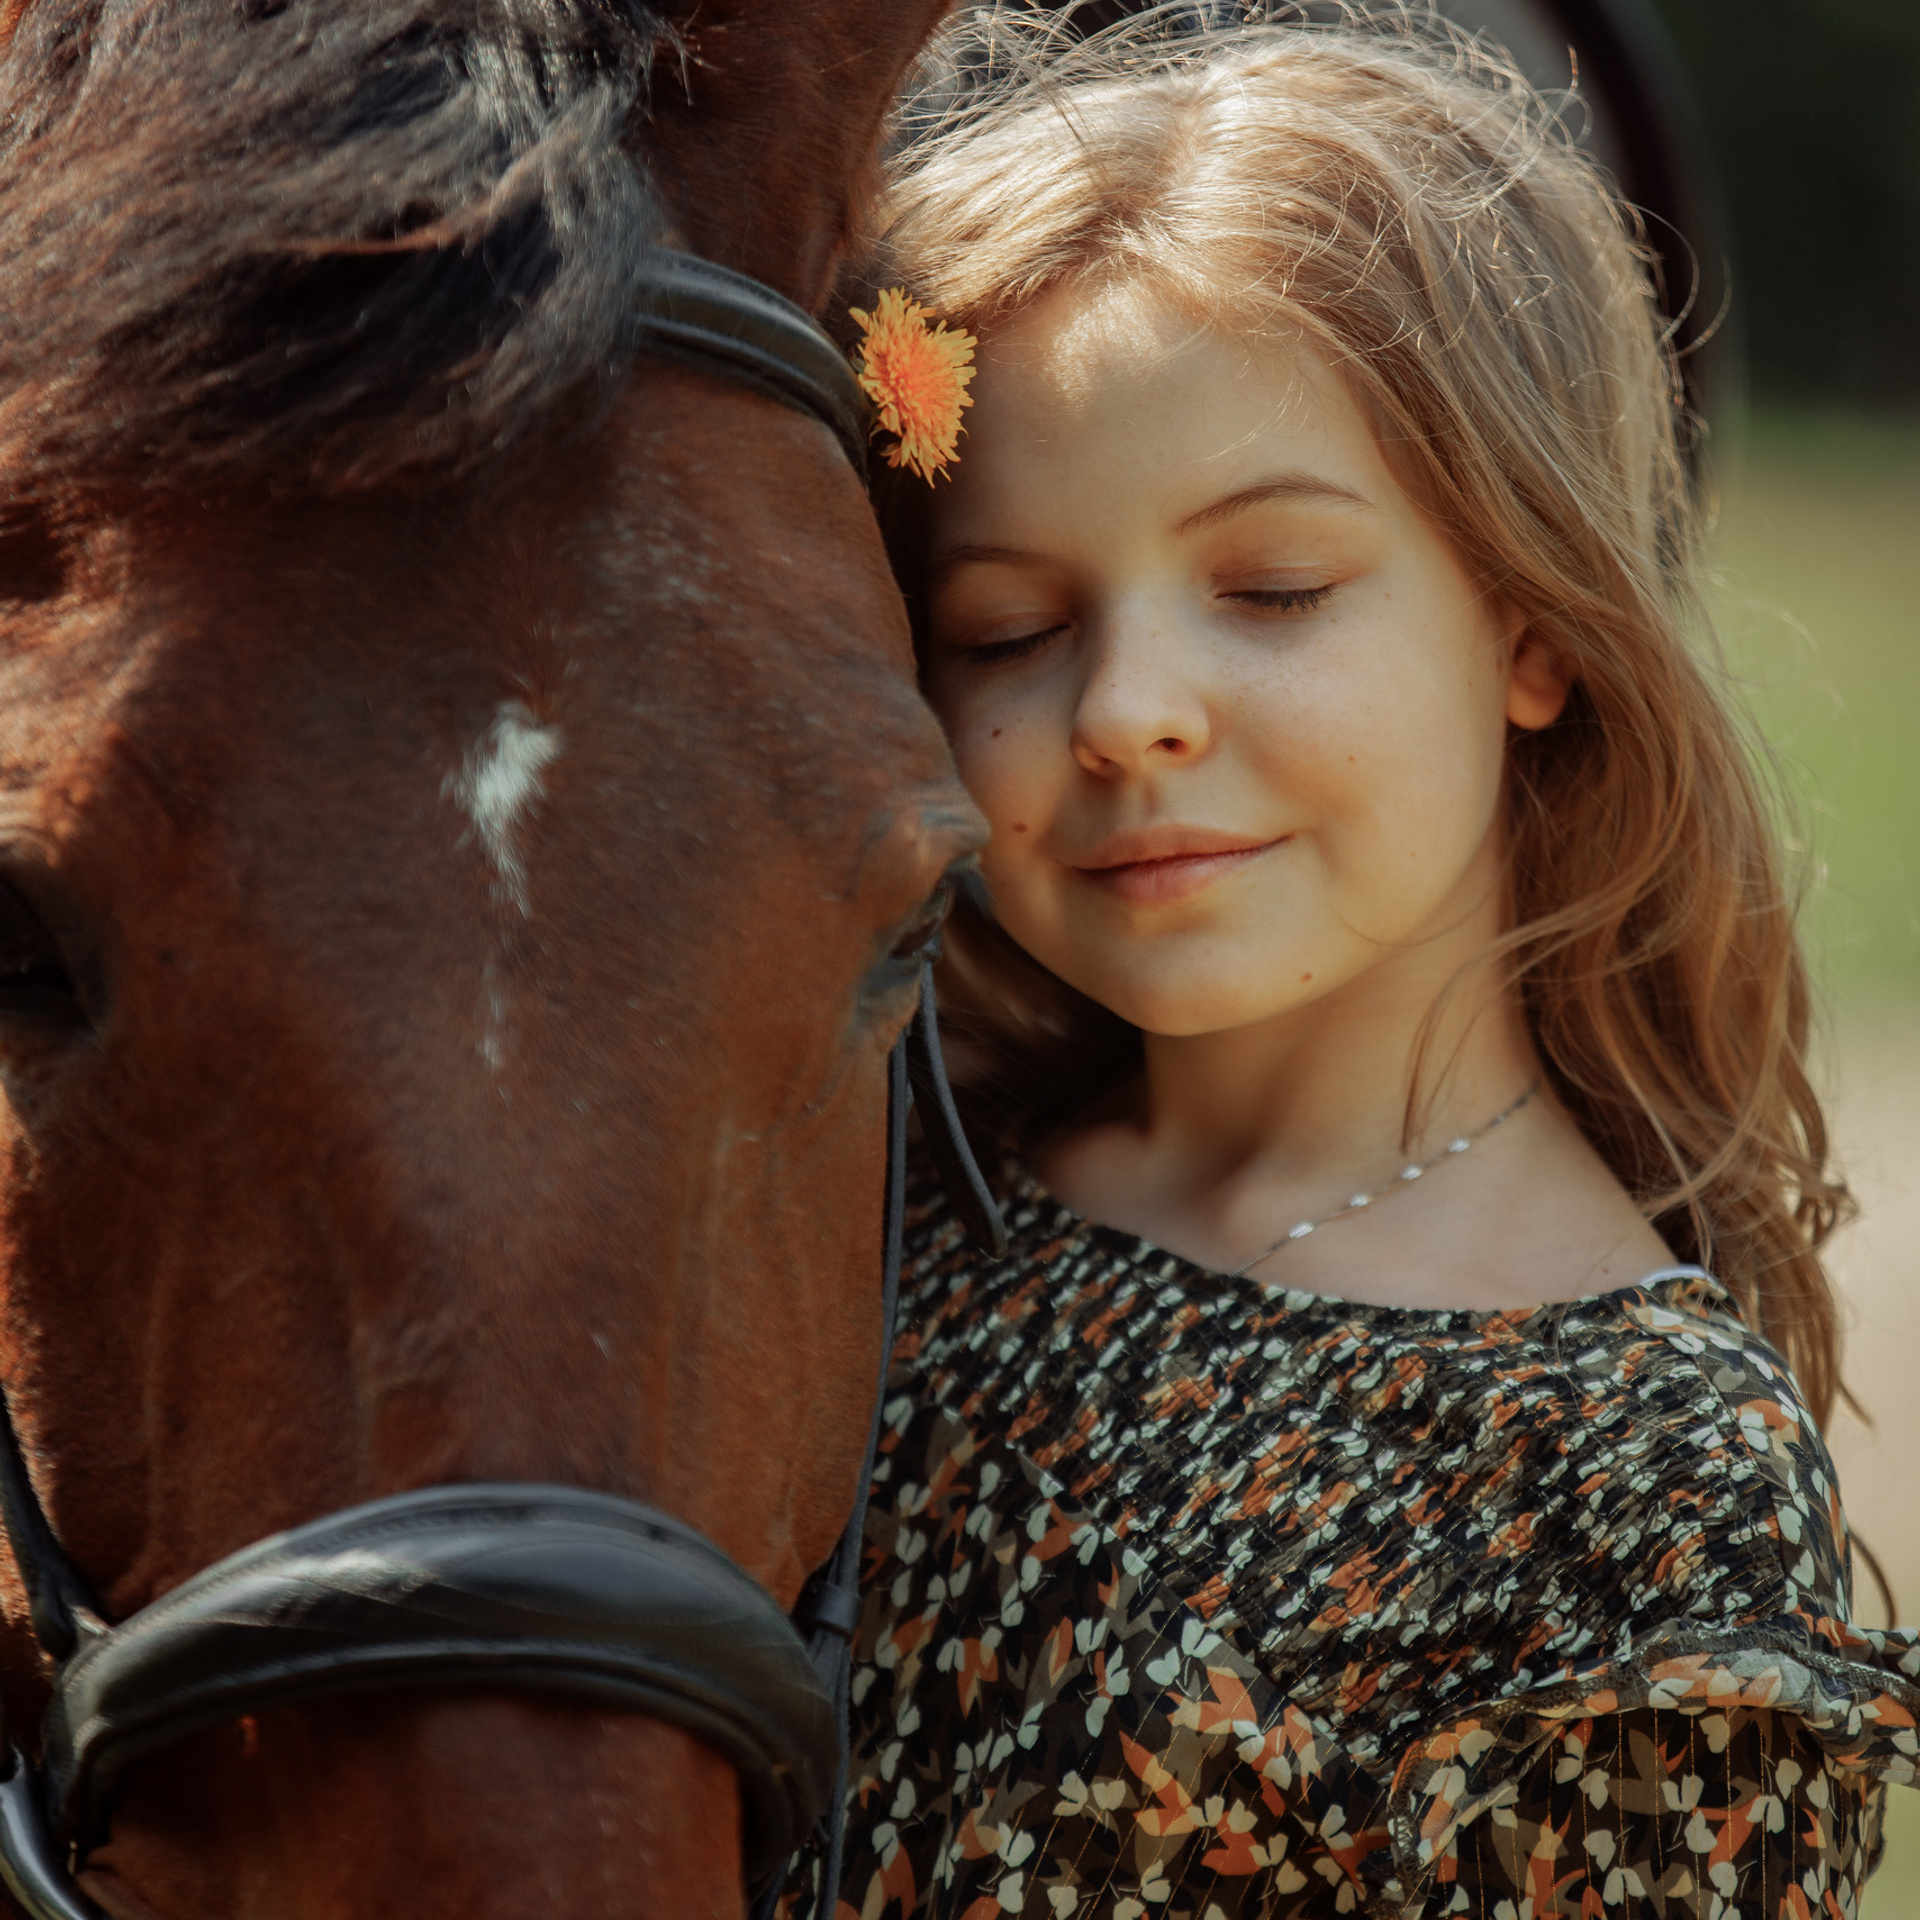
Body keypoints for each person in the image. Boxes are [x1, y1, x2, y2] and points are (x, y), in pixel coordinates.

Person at [784, 8, 1920, 1916]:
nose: (1129, 710)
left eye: (1274, 591)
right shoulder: (887, 1201)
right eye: (1002, 627)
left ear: (1536, 626)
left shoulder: (1630, 1476)